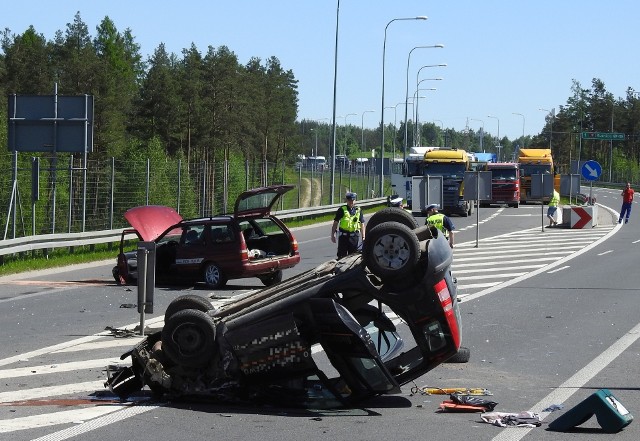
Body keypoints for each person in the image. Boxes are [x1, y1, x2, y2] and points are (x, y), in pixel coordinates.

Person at [331, 192, 365, 259]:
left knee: (352, 257)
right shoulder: (342, 210)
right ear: (347, 200)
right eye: (349, 200)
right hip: (344, 237)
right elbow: (335, 223)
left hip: (354, 237)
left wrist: (363, 237)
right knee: (341, 257)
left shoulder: (358, 210)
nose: (351, 202)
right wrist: (333, 234)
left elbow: (362, 224)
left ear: (355, 200)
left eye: (353, 200)